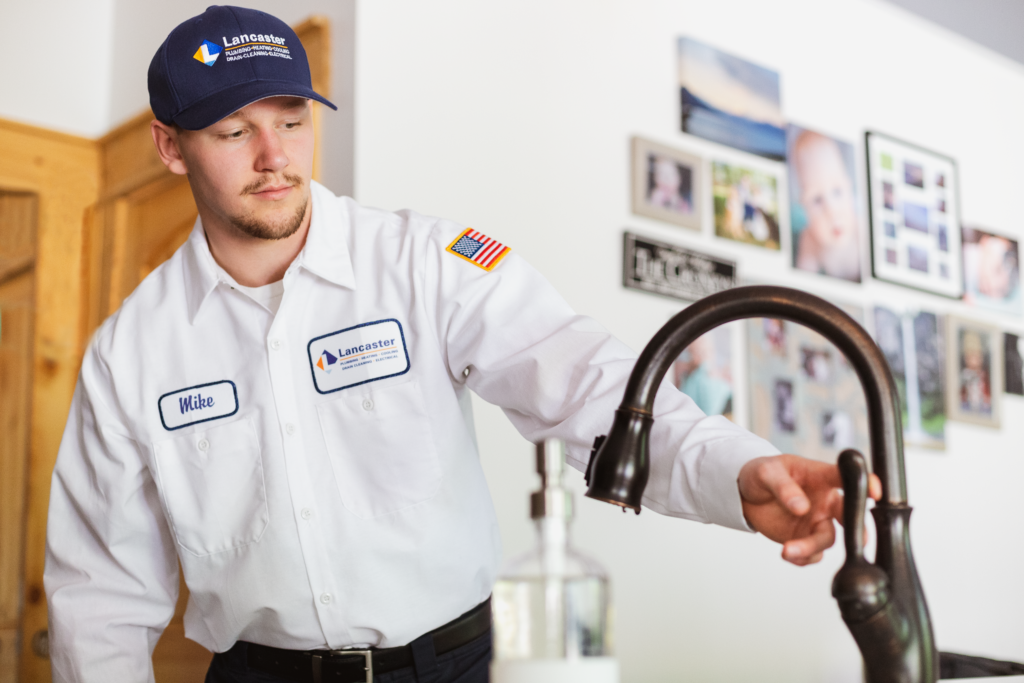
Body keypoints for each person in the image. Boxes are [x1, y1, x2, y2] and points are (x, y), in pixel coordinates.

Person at [43, 6, 880, 683]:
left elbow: (588, 380)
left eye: (292, 121)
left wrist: (737, 472)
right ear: (169, 146)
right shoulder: (131, 352)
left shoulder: (426, 263)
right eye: (233, 132)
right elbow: (100, 597)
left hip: (461, 663)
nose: (275, 158)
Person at [790, 130, 861, 282]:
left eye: (837, 191)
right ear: (804, 208)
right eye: (816, 199)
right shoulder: (809, 241)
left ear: (849, 187)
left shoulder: (860, 230)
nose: (831, 211)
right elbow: (801, 286)